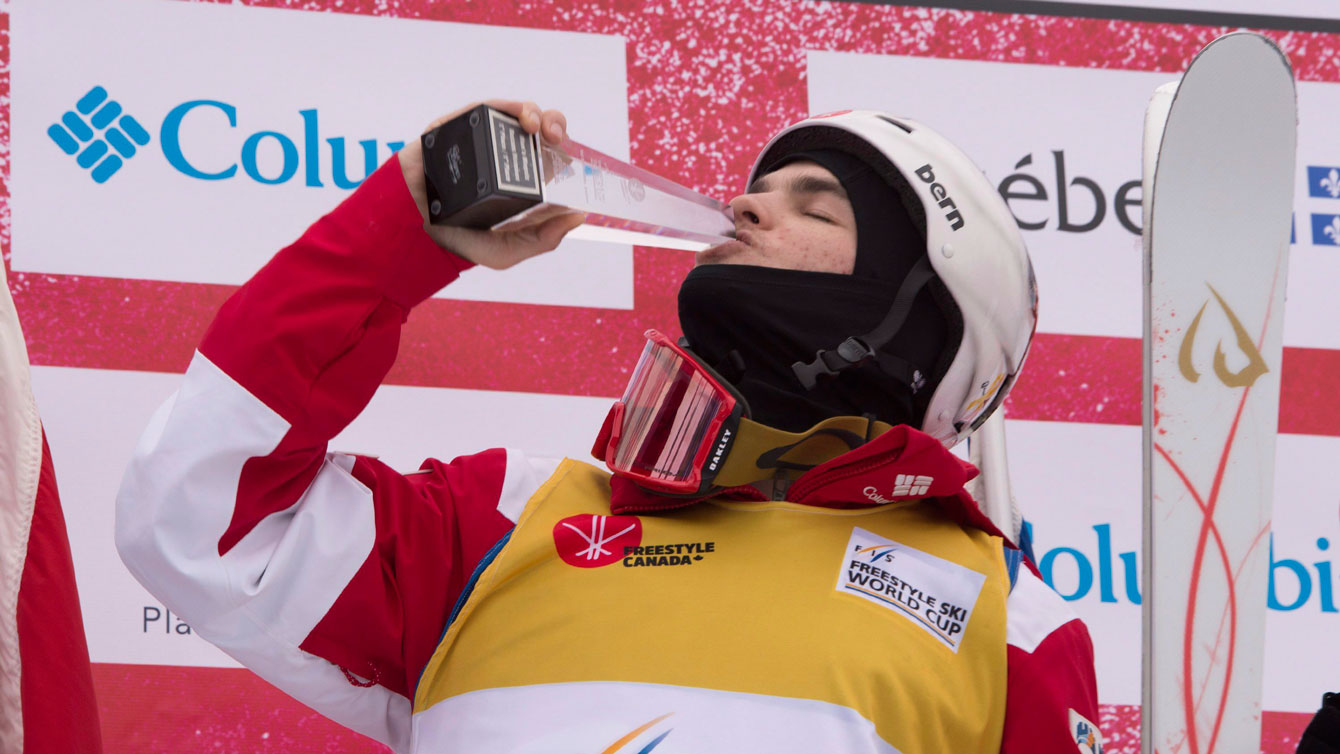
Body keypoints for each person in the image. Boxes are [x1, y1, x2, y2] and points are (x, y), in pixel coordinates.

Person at [116, 99, 1101, 753]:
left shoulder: (1002, 612)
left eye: (816, 206)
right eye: (759, 190)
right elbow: (201, 509)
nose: (750, 206)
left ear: (916, 307)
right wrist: (401, 230)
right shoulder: (500, 520)